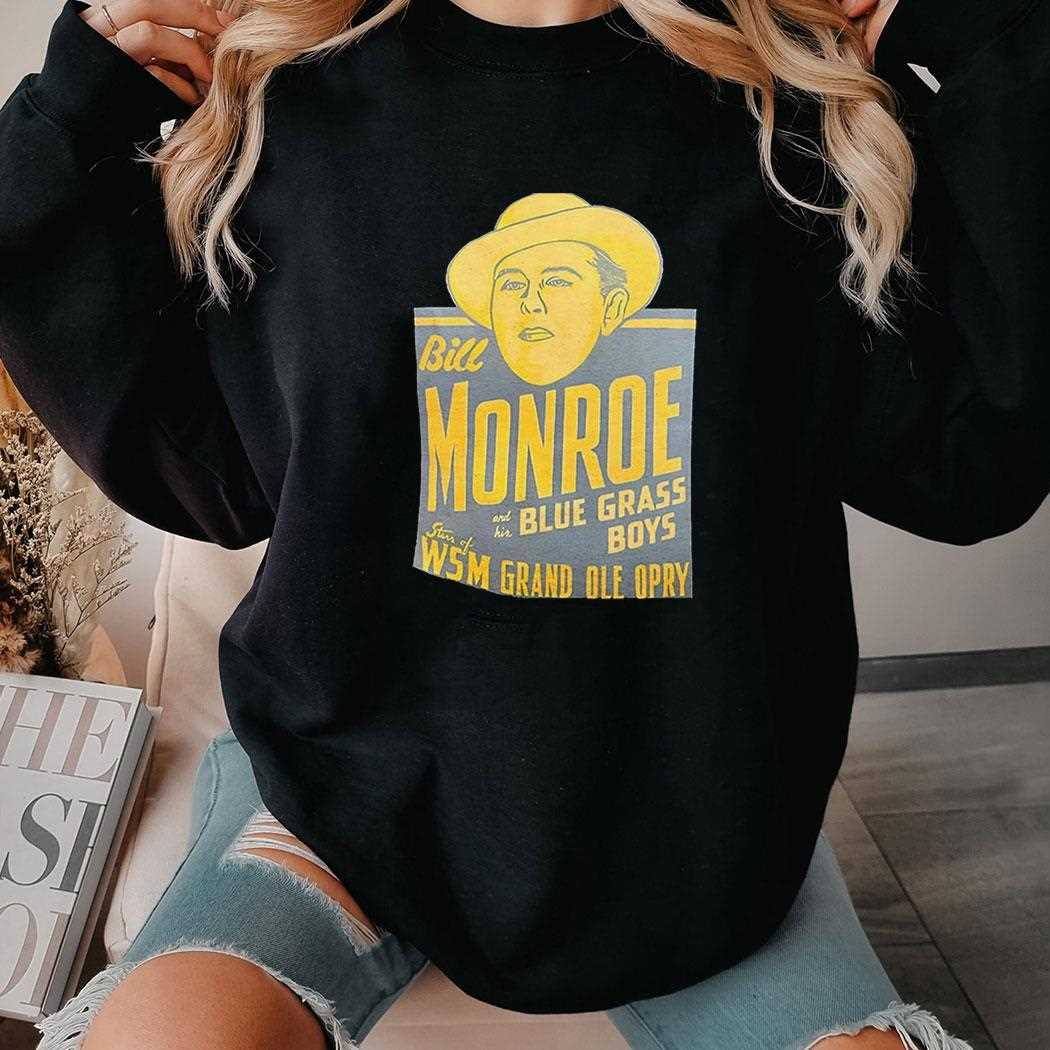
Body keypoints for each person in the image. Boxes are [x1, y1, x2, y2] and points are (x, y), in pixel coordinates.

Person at [0, 0, 1045, 1047]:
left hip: (704, 831)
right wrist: (80, 110)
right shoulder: (291, 101)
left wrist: (986, 36)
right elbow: (202, 475)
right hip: (347, 803)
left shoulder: (790, 108)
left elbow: (969, 465)